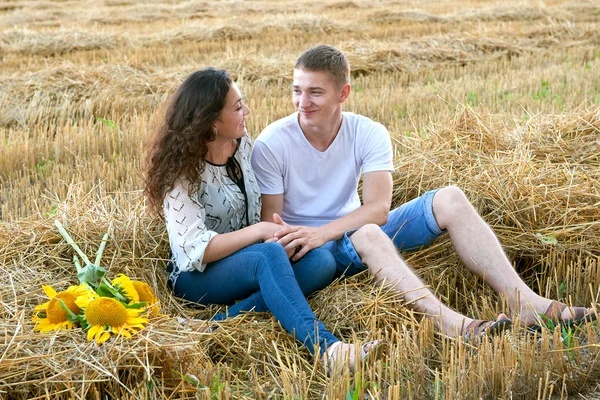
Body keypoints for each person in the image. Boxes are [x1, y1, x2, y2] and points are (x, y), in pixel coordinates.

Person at [251, 45, 596, 339]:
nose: (302, 102)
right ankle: (454, 326)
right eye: (297, 90)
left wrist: (324, 231)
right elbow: (273, 224)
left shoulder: (368, 132)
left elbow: (378, 209)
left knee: (450, 198)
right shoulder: (273, 142)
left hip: (349, 232)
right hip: (314, 254)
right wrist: (312, 239)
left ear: (344, 93)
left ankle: (527, 304)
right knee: (369, 233)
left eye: (315, 92)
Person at [143, 67, 383, 372]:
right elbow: (195, 251)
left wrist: (274, 237)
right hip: (196, 276)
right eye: (238, 106)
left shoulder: (241, 145)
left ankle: (213, 326)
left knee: (321, 261)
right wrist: (260, 233)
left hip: (244, 260)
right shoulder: (180, 175)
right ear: (212, 122)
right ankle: (329, 350)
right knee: (267, 256)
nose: (247, 110)